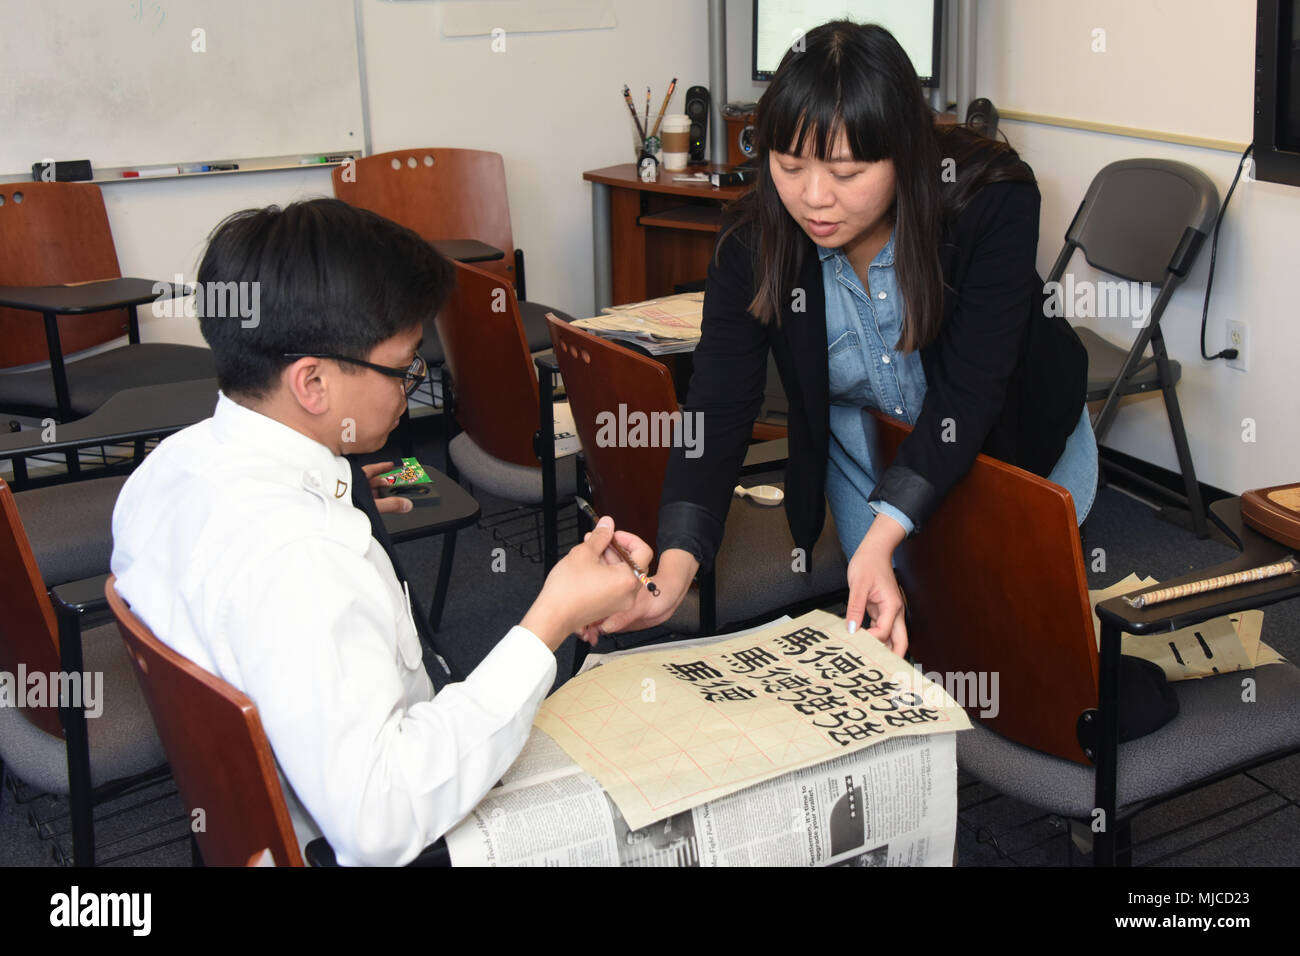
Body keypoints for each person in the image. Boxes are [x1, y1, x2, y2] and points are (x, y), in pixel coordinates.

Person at [111, 199, 653, 866]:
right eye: (402, 369)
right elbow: (381, 824)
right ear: (311, 381)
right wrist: (553, 617)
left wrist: (335, 495)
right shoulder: (302, 560)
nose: (411, 387)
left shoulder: (172, 465)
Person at [595, 21, 1095, 655]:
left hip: (1009, 442)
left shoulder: (988, 202)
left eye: (848, 172)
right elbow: (718, 408)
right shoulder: (752, 242)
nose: (814, 198)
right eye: (789, 165)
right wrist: (671, 573)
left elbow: (971, 392)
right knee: (914, 648)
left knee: (1008, 643)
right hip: (871, 462)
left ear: (905, 155)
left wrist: (886, 538)